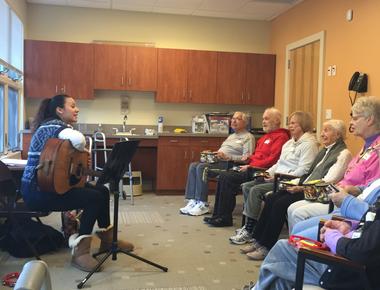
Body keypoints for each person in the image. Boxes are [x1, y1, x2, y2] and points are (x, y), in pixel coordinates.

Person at [21, 94, 134, 272]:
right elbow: (80, 140)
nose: (77, 109)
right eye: (72, 106)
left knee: (102, 192)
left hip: (49, 186)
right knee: (93, 199)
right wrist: (82, 152)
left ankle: (107, 240)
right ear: (59, 110)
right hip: (39, 192)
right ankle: (80, 253)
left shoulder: (51, 127)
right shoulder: (54, 126)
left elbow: (62, 157)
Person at [234, 120, 351, 261]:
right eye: (322, 130)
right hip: (305, 186)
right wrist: (293, 183)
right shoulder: (324, 151)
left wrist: (301, 187)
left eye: (327, 130)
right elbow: (308, 174)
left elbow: (328, 181)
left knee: (280, 203)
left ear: (337, 134)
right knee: (273, 197)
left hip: (317, 193)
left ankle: (266, 246)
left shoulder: (343, 154)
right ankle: (258, 240)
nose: (322, 134)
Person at [244, 180, 380, 290]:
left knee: (283, 249)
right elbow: (371, 224)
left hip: (350, 275)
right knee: (281, 272)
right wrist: (350, 227)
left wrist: (332, 237)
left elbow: (361, 251)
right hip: (351, 256)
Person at [288, 96, 380, 231]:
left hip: (352, 207)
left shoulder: (376, 150)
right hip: (339, 198)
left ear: (370, 120)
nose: (351, 122)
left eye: (355, 118)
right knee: (294, 215)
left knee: (298, 218)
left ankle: (301, 250)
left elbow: (371, 192)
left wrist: (348, 191)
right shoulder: (367, 145)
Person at [203, 108, 290, 227]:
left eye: (266, 119)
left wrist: (251, 165)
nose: (263, 121)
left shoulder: (281, 137)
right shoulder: (265, 137)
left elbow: (273, 160)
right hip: (251, 167)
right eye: (263, 119)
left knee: (227, 177)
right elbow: (258, 156)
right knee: (224, 176)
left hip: (261, 172)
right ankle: (217, 215)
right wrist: (250, 158)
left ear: (276, 121)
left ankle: (224, 218)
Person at [236, 111, 319, 232]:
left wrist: (277, 177)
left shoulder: (309, 145)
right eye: (289, 123)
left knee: (255, 190)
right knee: (247, 186)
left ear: (303, 125)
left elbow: (304, 170)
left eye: (293, 123)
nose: (289, 126)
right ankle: (251, 224)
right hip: (276, 178)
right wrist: (268, 173)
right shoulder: (289, 143)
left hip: (288, 181)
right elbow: (279, 163)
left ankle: (249, 229)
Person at [179, 112, 255, 216]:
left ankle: (203, 204)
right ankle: (193, 200)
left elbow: (247, 159)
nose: (233, 121)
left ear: (245, 123)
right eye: (233, 118)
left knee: (202, 168)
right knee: (193, 165)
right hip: (219, 161)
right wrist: (213, 155)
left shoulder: (248, 137)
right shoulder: (231, 136)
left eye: (238, 119)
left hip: (231, 165)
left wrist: (229, 157)